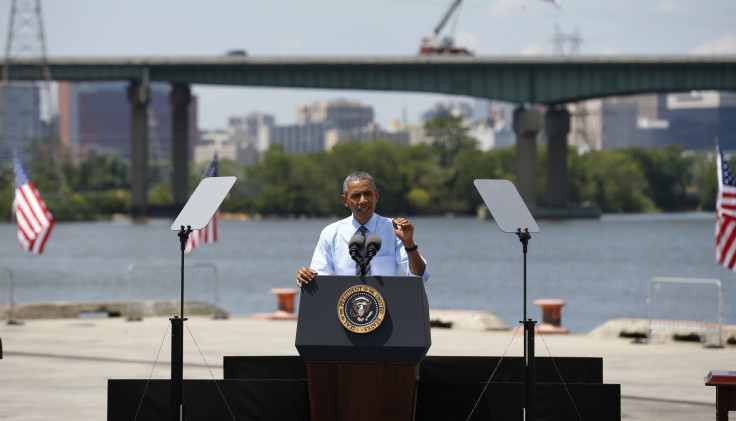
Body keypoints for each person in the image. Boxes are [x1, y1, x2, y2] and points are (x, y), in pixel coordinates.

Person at [296, 171, 429, 287]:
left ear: (376, 196)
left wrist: (409, 244)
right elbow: (320, 278)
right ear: (345, 201)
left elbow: (420, 277)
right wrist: (306, 276)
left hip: (387, 308)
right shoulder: (331, 233)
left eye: (367, 194)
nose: (363, 200)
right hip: (346, 310)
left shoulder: (394, 230)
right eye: (356, 196)